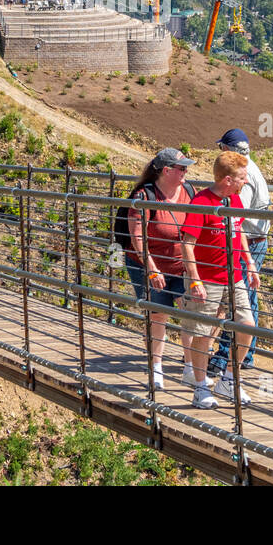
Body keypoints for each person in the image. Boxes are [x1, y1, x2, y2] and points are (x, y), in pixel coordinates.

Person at [181, 152, 258, 410]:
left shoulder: (235, 200)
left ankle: (229, 379)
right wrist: (195, 281)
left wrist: (250, 264)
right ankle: (201, 388)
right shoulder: (202, 201)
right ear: (227, 179)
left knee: (247, 325)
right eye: (242, 177)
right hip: (207, 278)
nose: (245, 182)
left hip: (234, 276)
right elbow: (187, 244)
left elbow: (240, 233)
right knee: (203, 333)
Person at [122, 147, 196, 391]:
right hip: (147, 264)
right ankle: (156, 368)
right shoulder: (144, 197)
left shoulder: (188, 191)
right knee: (159, 315)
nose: (186, 172)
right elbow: (137, 238)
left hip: (180, 265)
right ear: (166, 171)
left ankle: (191, 367)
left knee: (190, 313)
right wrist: (152, 270)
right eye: (182, 168)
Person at [207, 128, 273, 380]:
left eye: (222, 149)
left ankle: (227, 356)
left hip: (248, 241)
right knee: (248, 299)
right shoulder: (252, 169)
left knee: (240, 299)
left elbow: (235, 214)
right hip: (256, 239)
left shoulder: (243, 176)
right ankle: (246, 355)